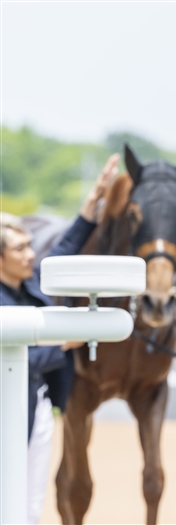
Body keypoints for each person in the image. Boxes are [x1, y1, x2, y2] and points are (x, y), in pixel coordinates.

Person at [0, 153, 120, 524]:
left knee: (31, 504)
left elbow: (66, 245)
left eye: (29, 245)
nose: (31, 254)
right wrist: (63, 343)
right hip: (7, 406)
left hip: (35, 404)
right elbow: (17, 360)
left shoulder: (29, 283)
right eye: (20, 248)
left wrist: (94, 200)